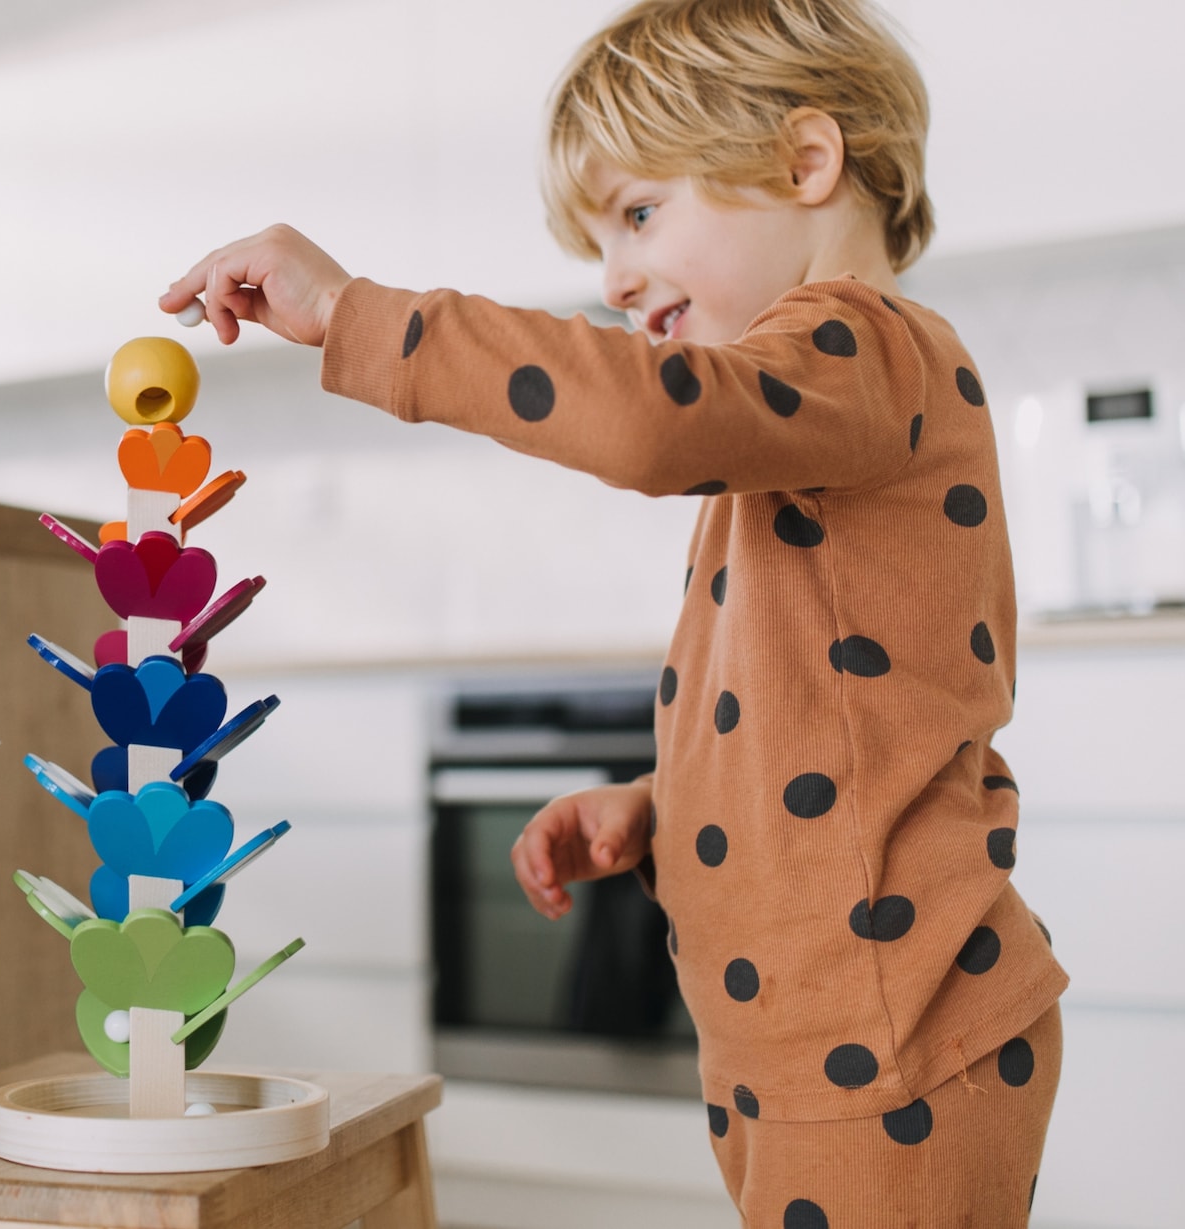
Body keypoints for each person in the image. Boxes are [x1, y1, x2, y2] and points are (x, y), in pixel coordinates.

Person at [160, 0, 1065, 1220]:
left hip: (895, 1037)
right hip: (810, 1042)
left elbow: (648, 418)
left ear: (805, 164)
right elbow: (834, 722)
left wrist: (355, 317)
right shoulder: (810, 411)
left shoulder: (865, 344)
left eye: (638, 212)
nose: (611, 276)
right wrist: (661, 806)